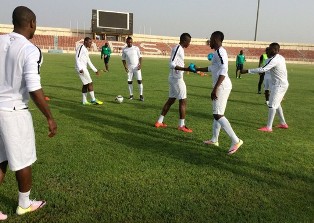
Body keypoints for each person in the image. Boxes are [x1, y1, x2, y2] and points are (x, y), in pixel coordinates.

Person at [0, 6, 57, 220]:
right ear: (32, 22)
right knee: (22, 160)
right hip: (14, 110)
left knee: (0, 160)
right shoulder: (30, 49)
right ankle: (24, 204)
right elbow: (33, 87)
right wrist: (49, 117)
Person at [194, 31, 243, 154]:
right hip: (221, 85)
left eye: (210, 39)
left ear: (215, 39)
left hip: (222, 86)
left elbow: (224, 69)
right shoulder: (217, 52)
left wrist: (215, 88)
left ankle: (236, 140)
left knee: (218, 114)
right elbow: (213, 68)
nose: (209, 41)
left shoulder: (221, 51)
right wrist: (198, 69)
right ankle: (214, 139)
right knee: (217, 113)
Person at [240, 42, 289, 132]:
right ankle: (283, 123)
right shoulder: (280, 58)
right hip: (280, 84)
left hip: (279, 85)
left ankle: (269, 127)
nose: (268, 50)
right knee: (277, 104)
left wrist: (247, 71)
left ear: (275, 50)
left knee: (272, 105)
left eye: (270, 49)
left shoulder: (274, 59)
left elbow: (263, 69)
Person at [155, 33, 195, 133]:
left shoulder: (180, 49)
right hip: (177, 79)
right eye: (189, 42)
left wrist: (186, 69)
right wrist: (186, 68)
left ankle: (159, 121)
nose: (189, 44)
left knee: (171, 100)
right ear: (184, 40)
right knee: (183, 101)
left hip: (174, 78)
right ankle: (181, 125)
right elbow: (172, 64)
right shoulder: (177, 48)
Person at [75, 37, 103, 105]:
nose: (91, 44)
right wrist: (80, 68)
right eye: (90, 42)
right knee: (90, 83)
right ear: (85, 42)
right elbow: (77, 57)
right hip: (81, 68)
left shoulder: (85, 49)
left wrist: (95, 70)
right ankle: (93, 99)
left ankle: (84, 101)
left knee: (85, 84)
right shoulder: (81, 47)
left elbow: (88, 61)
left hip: (83, 68)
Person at [122, 36, 144, 101]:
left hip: (136, 67)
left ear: (132, 42)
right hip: (129, 68)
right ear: (126, 42)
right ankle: (131, 95)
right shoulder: (124, 50)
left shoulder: (136, 48)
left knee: (139, 81)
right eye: (128, 42)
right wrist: (125, 67)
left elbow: (140, 57)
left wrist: (140, 65)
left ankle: (141, 95)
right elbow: (123, 59)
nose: (130, 43)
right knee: (129, 82)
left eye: (131, 42)